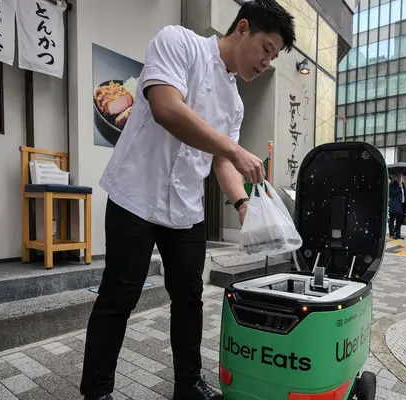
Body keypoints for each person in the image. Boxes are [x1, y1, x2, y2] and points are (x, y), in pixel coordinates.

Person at [79, 2, 296, 400]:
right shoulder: (179, 42)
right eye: (266, 49)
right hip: (136, 195)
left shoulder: (235, 102)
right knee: (120, 294)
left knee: (190, 298)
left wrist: (242, 204)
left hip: (185, 207)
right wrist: (235, 149)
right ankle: (96, 391)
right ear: (243, 28)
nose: (266, 62)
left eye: (273, 57)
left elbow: (221, 163)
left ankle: (188, 385)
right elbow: (166, 108)